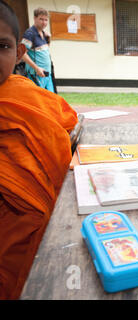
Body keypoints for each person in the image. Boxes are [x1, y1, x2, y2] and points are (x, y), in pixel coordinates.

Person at [0, 1, 78, 299]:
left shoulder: (27, 94)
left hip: (48, 216)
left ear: (18, 53)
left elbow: (67, 117)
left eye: (2, 45)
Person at [21, 7, 55, 92]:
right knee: (39, 101)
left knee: (50, 100)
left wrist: (48, 39)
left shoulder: (44, 33)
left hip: (47, 74)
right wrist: (36, 68)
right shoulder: (30, 34)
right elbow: (22, 53)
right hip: (36, 75)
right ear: (35, 18)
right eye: (41, 19)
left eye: (46, 20)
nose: (44, 22)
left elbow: (44, 52)